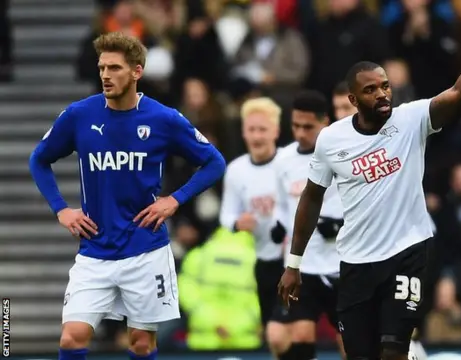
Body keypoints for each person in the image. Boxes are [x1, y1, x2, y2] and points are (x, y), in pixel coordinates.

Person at [278, 11, 461, 360]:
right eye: (370, 90)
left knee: (393, 352)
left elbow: (459, 94)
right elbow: (311, 198)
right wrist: (293, 263)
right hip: (355, 261)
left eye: (385, 86)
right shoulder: (331, 140)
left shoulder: (411, 119)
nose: (382, 94)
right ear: (352, 100)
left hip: (407, 252)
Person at [28, 32, 226, 360]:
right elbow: (39, 159)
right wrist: (61, 210)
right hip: (95, 249)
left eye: (115, 68)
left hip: (145, 248)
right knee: (71, 338)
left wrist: (174, 199)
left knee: (142, 343)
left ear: (136, 72)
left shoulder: (163, 118)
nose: (105, 75)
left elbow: (214, 162)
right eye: (102, 67)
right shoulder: (80, 115)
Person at [266, 90, 345, 360]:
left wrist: (341, 225)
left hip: (342, 266)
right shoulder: (283, 159)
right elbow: (282, 203)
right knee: (283, 336)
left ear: (324, 122)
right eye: (295, 126)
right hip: (304, 268)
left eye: (307, 127)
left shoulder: (343, 153)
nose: (300, 132)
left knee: (353, 345)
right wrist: (277, 223)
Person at [219, 97, 283, 328]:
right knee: (273, 332)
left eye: (262, 129)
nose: (257, 136)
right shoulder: (236, 170)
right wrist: (237, 223)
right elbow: (226, 216)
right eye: (251, 129)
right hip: (262, 260)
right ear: (244, 132)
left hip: (295, 261)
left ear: (275, 131)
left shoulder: (290, 163)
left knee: (299, 331)